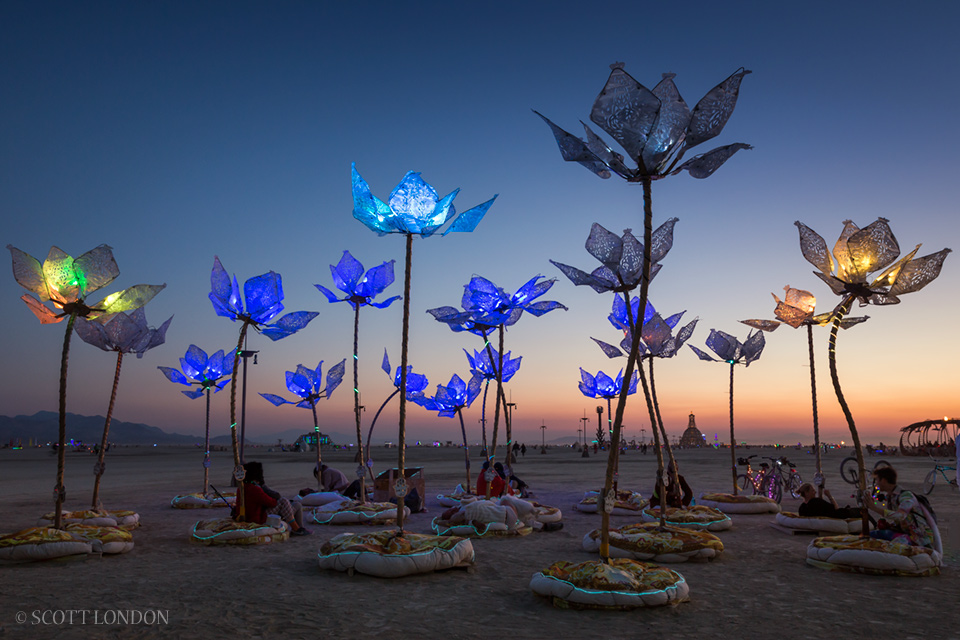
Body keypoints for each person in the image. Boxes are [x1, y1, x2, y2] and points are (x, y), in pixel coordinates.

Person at [864, 465, 934, 547]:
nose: (876, 484)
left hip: (918, 537)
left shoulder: (906, 496)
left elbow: (901, 516)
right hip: (905, 533)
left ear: (883, 480)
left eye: (877, 480)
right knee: (870, 536)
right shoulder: (891, 497)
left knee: (893, 547)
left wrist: (875, 508)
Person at [235, 461, 311, 536]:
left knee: (296, 505)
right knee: (283, 501)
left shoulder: (242, 488)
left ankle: (300, 528)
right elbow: (271, 502)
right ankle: (296, 528)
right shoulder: (254, 489)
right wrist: (264, 488)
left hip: (256, 513)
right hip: (256, 518)